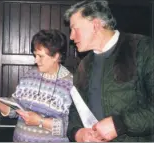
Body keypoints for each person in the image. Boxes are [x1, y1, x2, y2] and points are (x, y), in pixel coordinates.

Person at [64, 0, 154, 142]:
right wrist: (77, 133)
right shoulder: (84, 64)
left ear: (96, 25)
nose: (71, 36)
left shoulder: (143, 49)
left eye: (75, 29)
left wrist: (120, 124)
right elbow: (76, 109)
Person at [0, 29, 74, 142]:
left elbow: (71, 127)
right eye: (35, 55)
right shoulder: (30, 75)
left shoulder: (71, 84)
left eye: (40, 56)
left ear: (56, 56)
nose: (36, 60)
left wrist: (39, 121)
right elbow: (15, 108)